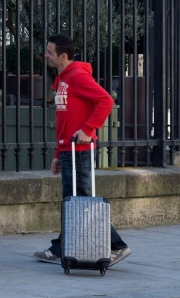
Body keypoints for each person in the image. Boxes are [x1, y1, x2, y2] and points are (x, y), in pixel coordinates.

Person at [33, 33, 131, 266]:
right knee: (73, 200)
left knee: (83, 200)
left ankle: (117, 246)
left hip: (80, 150)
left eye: (50, 52)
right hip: (69, 151)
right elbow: (63, 122)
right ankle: (61, 247)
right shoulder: (62, 80)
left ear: (62, 56)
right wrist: (58, 154)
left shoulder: (76, 76)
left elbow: (106, 101)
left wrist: (88, 130)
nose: (46, 55)